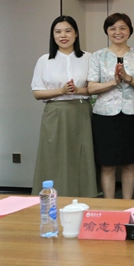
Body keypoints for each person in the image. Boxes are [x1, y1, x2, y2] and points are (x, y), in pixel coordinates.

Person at [31, 16, 97, 197]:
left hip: (81, 110)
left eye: (68, 31)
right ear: (53, 35)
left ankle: (85, 196)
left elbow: (94, 88)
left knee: (82, 155)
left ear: (76, 34)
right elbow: (37, 93)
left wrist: (78, 90)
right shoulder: (44, 60)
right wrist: (61, 90)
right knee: (53, 155)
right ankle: (52, 196)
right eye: (58, 32)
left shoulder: (89, 57)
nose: (63, 35)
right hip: (55, 112)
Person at [87, 13, 134, 199]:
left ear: (129, 31)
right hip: (105, 116)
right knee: (107, 165)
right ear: (107, 31)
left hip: (132, 115)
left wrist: (127, 78)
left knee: (129, 163)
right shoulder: (98, 56)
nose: (118, 32)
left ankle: (127, 205)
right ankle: (110, 206)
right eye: (112, 28)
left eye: (123, 28)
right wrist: (114, 82)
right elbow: (91, 87)